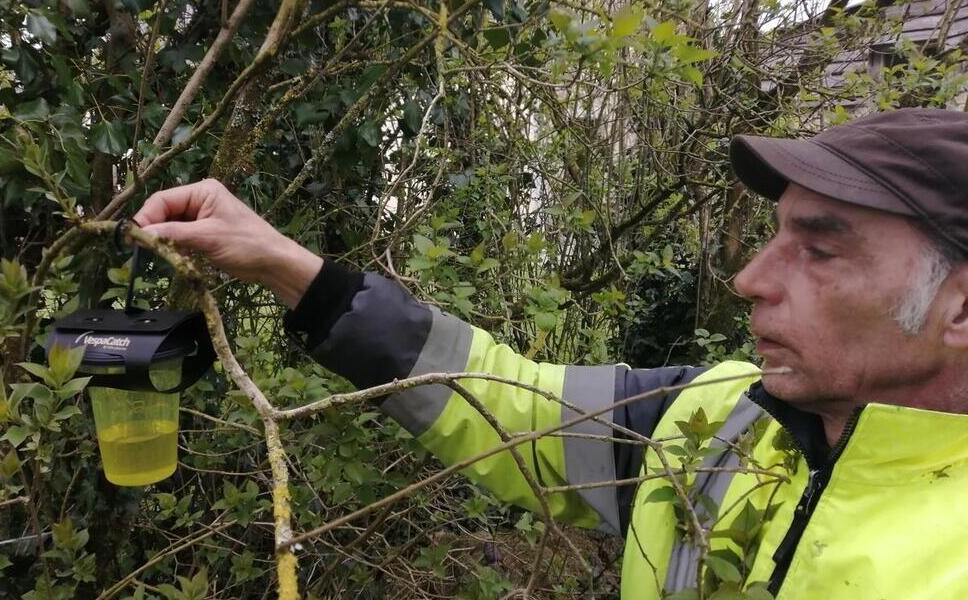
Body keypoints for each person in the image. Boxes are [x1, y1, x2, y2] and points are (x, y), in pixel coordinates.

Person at [134, 108, 968, 599]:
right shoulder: (719, 416)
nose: (751, 278)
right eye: (773, 236)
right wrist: (291, 269)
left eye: (819, 250)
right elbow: (511, 406)